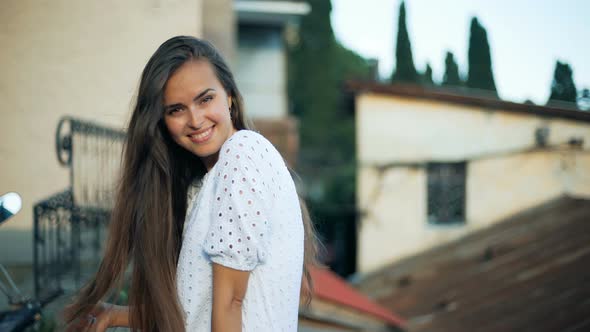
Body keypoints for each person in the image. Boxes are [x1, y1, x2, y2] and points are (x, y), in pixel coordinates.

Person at [63, 35, 320, 331]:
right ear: (162, 121)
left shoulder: (243, 153)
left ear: (230, 97)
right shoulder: (212, 180)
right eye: (176, 109)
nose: (195, 120)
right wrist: (113, 314)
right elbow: (195, 311)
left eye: (205, 99)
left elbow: (229, 304)